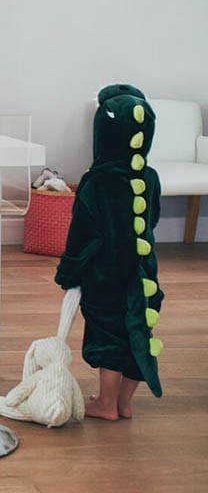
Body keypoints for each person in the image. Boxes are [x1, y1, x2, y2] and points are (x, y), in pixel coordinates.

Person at [55, 84, 164, 420]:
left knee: (108, 333)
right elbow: (152, 218)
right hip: (143, 272)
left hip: (106, 273)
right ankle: (124, 403)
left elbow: (83, 233)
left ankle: (105, 403)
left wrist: (69, 271)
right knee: (139, 330)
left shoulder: (97, 181)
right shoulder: (151, 177)